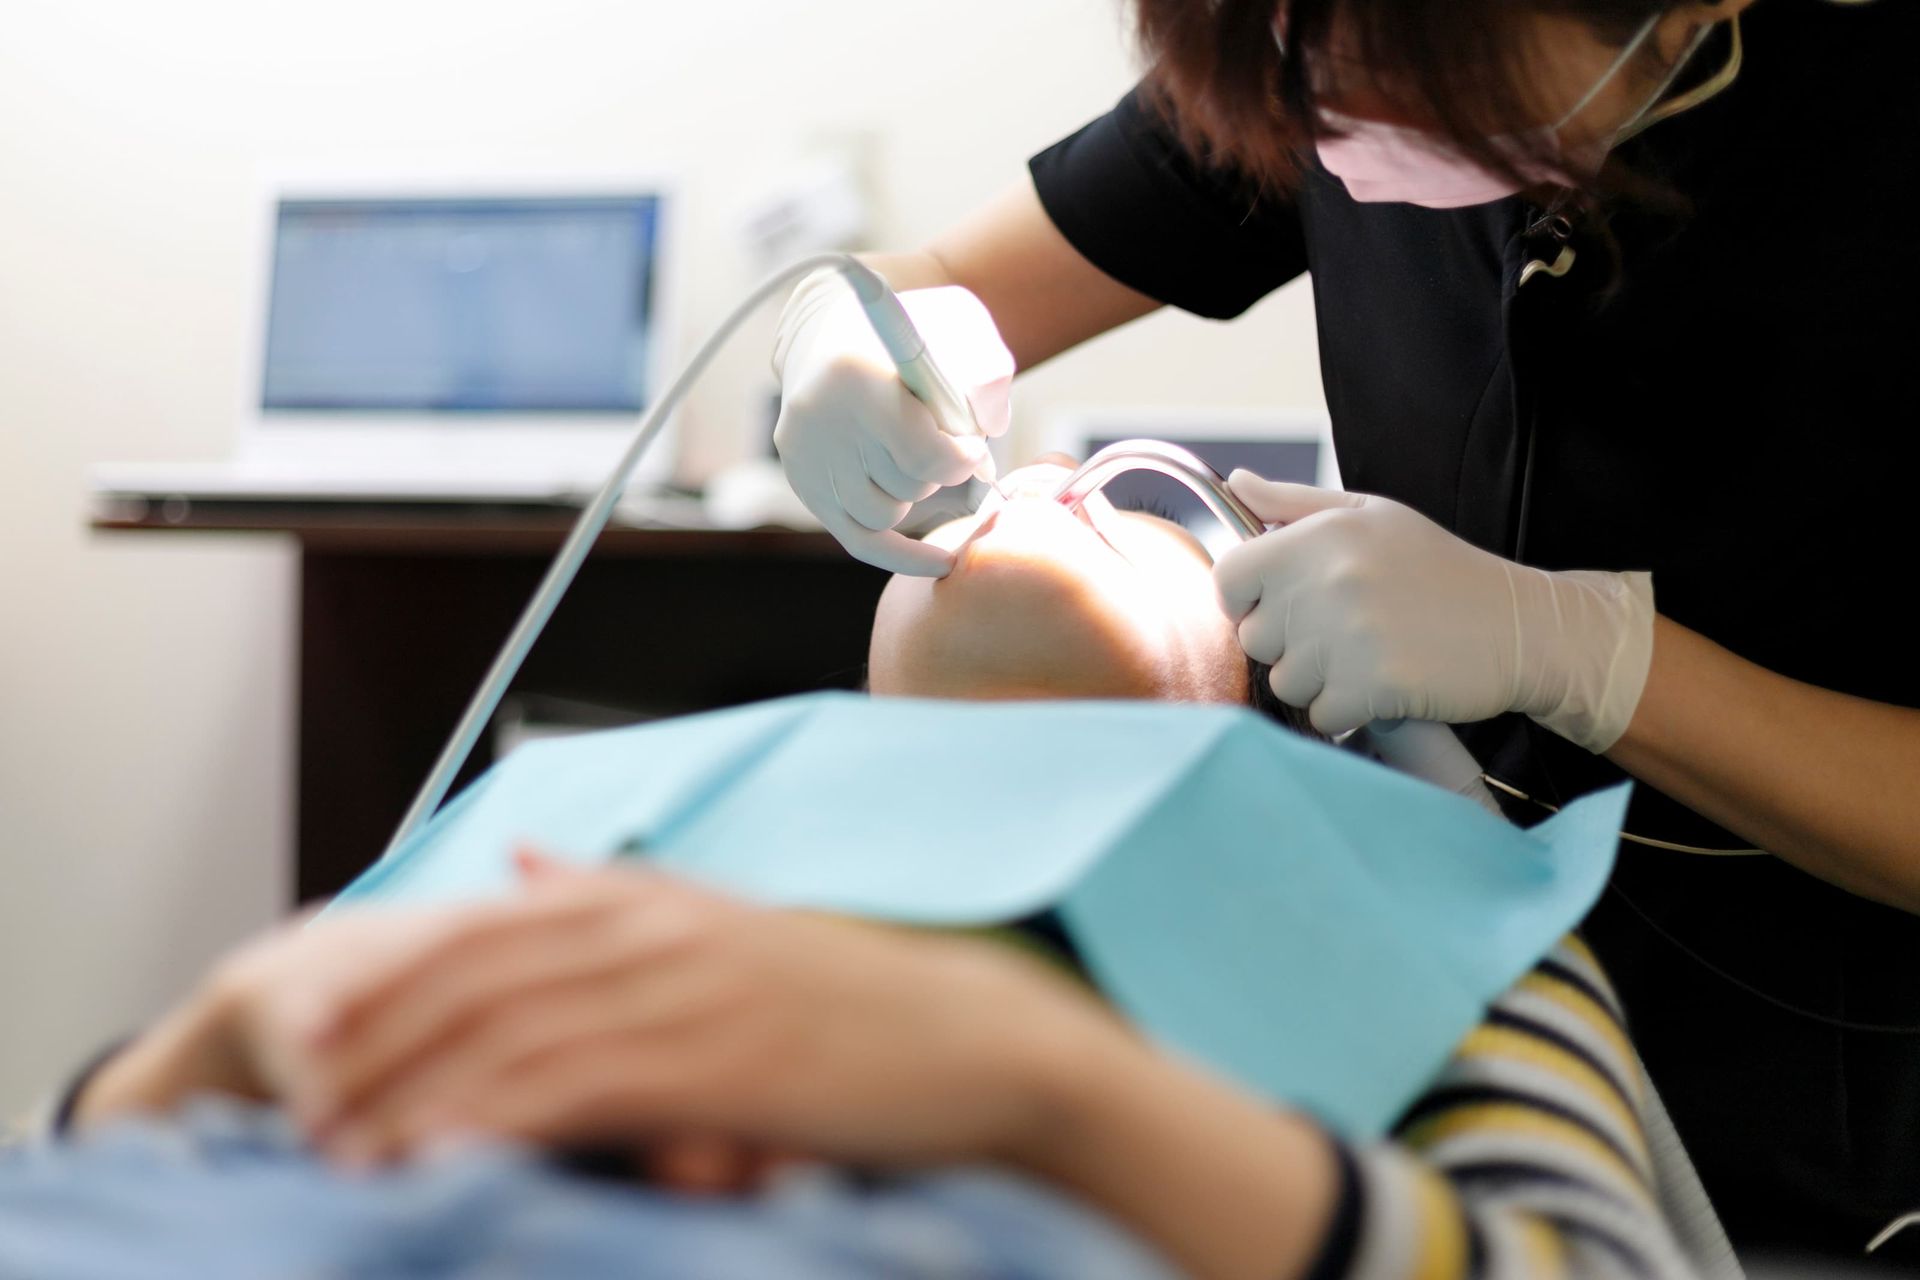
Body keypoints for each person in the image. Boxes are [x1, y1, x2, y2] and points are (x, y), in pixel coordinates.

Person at [767, 0, 1920, 1260]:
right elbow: (935, 285)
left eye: (1406, 83)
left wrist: (1589, 654)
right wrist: (848, 332)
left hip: (1818, 1129)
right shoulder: (1299, 54)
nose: (1322, 121)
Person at [31, 473, 1723, 1280]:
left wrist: (1041, 1089)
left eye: (1145, 501)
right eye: (1004, 480)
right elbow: (78, 1176)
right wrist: (203, 1043)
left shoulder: (1395, 871)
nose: (1055, 479)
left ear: (1264, 684)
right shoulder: (591, 798)